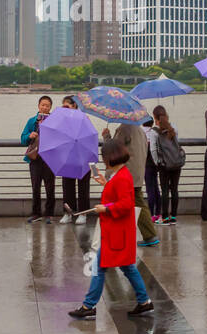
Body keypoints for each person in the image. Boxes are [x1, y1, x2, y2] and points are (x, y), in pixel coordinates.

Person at [68, 139, 154, 319]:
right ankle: (144, 301)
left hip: (116, 232)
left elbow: (126, 203)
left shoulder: (122, 176)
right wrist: (105, 183)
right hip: (118, 232)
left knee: (99, 267)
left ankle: (88, 305)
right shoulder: (119, 174)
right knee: (127, 267)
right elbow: (120, 196)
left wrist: (106, 208)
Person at [104, 119, 159, 247]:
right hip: (138, 172)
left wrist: (107, 137)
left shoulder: (125, 129)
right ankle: (148, 235)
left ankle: (149, 235)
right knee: (136, 202)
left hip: (127, 174)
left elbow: (114, 150)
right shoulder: (139, 130)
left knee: (133, 203)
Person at [21, 96, 56, 223]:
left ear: (50, 107)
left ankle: (49, 213)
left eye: (47, 105)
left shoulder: (54, 121)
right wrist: (30, 135)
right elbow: (23, 138)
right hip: (35, 158)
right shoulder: (32, 121)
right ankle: (36, 213)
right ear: (38, 106)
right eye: (42, 105)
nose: (44, 107)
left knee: (50, 187)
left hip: (50, 159)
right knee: (35, 187)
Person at [58, 97, 92, 225]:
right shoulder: (61, 121)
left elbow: (89, 137)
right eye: (63, 107)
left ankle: (83, 214)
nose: (64, 109)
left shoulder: (84, 118)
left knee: (83, 188)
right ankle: (68, 213)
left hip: (83, 157)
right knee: (67, 188)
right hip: (67, 157)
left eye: (67, 106)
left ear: (74, 106)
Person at [150, 105, 184, 226]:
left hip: (164, 165)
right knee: (174, 189)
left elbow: (153, 150)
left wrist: (157, 163)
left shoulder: (154, 132)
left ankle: (164, 218)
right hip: (176, 163)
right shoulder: (173, 127)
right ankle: (173, 216)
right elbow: (176, 145)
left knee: (165, 190)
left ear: (155, 117)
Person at [142, 117, 162, 224]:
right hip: (155, 163)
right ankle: (158, 212)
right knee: (155, 188)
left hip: (147, 164)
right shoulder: (155, 132)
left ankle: (150, 214)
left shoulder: (141, 134)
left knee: (150, 190)